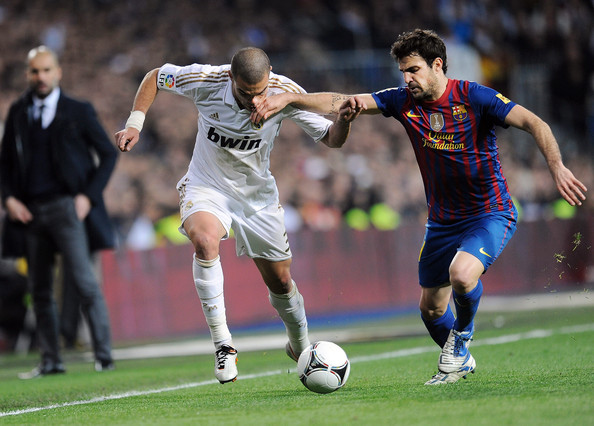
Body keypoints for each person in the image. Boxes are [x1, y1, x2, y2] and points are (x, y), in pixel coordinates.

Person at [250, 29, 588, 385]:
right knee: (431, 310)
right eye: (403, 72)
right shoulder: (401, 101)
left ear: (437, 65)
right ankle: (460, 360)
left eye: (413, 70)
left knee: (462, 275)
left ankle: (461, 340)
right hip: (442, 223)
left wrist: (557, 167)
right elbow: (343, 101)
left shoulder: (474, 97)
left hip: (489, 213)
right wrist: (290, 99)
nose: (407, 78)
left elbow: (535, 122)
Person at [115, 47, 360, 384]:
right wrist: (135, 123)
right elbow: (156, 76)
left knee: (281, 282)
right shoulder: (206, 80)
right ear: (231, 77)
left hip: (257, 198)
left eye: (259, 92)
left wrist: (344, 121)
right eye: (245, 93)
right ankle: (223, 345)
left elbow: (332, 139)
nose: (254, 100)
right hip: (207, 185)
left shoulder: (284, 92)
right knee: (204, 241)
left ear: (269, 77)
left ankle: (300, 346)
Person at [0, 46, 118, 378]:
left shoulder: (78, 110)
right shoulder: (18, 111)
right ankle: (51, 360)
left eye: (46, 70)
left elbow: (108, 154)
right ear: (28, 74)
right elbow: (4, 164)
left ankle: (104, 356)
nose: (41, 77)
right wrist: (9, 199)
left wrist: (88, 197)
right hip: (30, 213)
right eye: (35, 71)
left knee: (84, 282)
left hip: (68, 209)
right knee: (39, 290)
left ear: (58, 72)